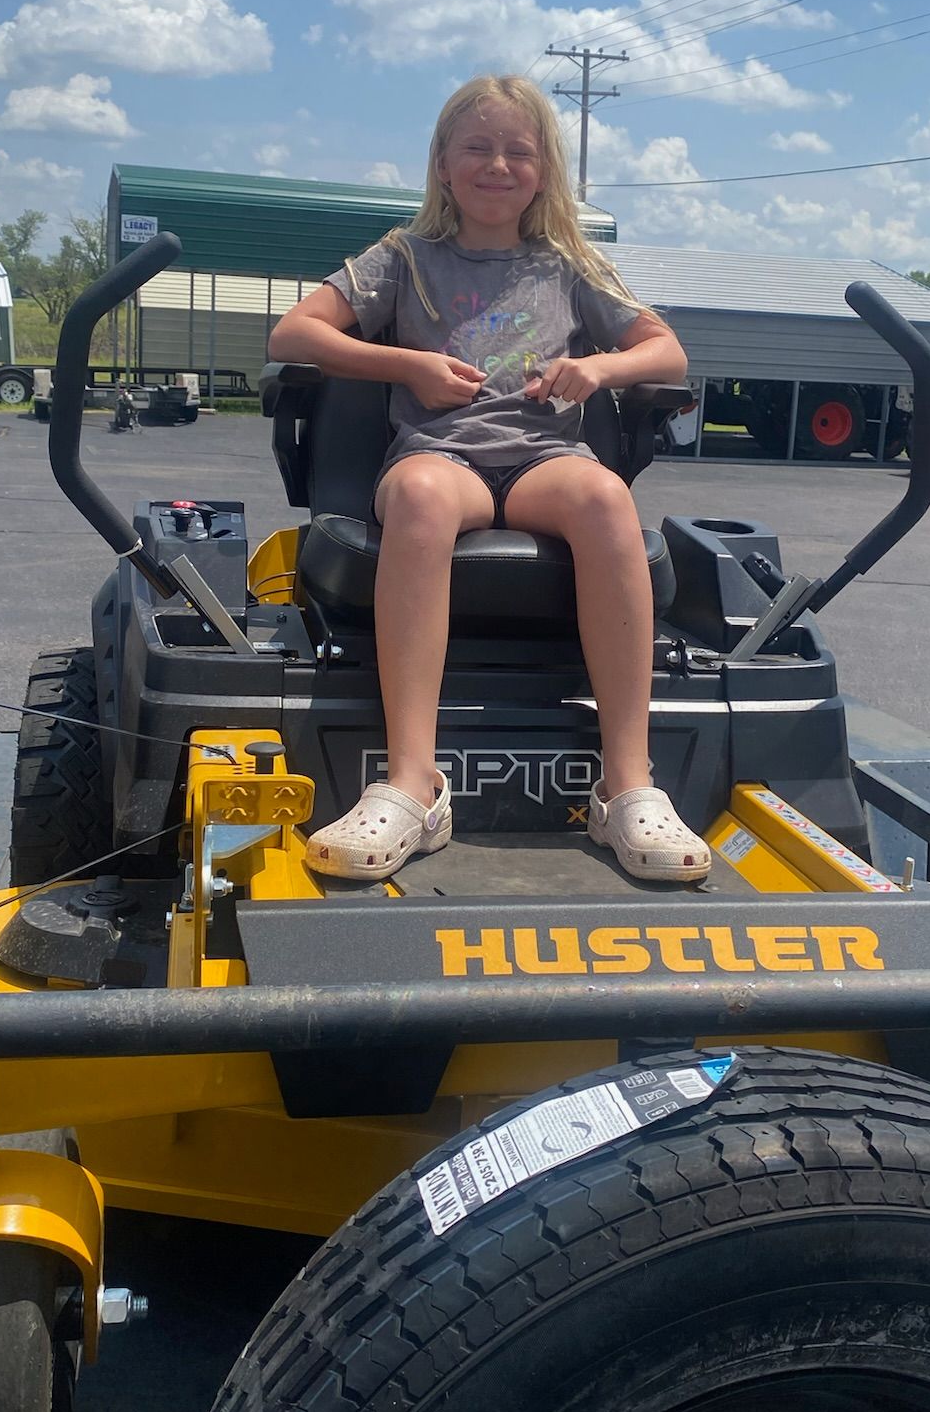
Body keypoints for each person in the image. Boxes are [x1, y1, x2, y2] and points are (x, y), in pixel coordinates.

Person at [269, 74, 711, 885]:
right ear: (441, 163)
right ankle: (412, 784)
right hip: (444, 456)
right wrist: (407, 364)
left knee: (609, 499)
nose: (496, 165)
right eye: (476, 147)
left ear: (544, 171)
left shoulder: (572, 263)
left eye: (518, 150)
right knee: (420, 495)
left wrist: (598, 368)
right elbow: (293, 334)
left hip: (545, 460)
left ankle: (628, 783)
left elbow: (667, 352)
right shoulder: (402, 259)